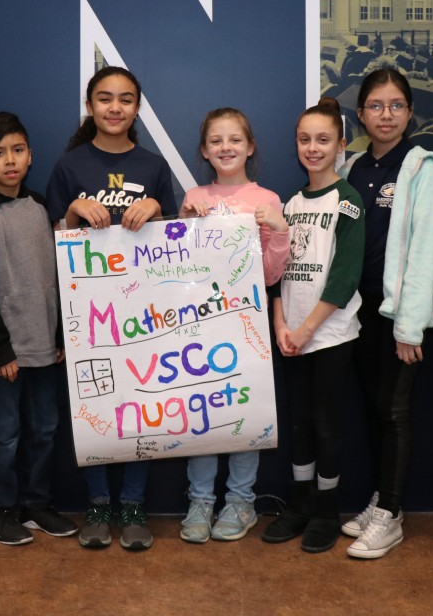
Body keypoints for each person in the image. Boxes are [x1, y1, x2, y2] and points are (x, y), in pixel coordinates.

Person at [45, 66, 177, 551]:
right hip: (89, 313)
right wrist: (74, 213)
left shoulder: (153, 166)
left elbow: (178, 246)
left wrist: (160, 209)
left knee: (141, 402)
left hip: (144, 311)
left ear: (137, 107)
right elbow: (54, 242)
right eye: (105, 99)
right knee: (96, 405)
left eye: (125, 99)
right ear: (90, 106)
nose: (115, 108)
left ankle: (134, 504)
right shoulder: (70, 166)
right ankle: (99, 502)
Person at [338, 69, 433, 560]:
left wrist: (409, 324)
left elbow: (427, 248)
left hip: (395, 318)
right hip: (356, 315)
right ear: (361, 114)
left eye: (397, 105)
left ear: (409, 112)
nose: (386, 115)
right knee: (371, 412)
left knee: (395, 412)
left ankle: (391, 515)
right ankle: (381, 500)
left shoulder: (422, 167)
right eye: (376, 106)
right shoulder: (352, 168)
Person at [0, 111, 79, 546]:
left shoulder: (40, 208)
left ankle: (35, 503)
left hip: (45, 347)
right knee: (3, 434)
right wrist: (0, 350)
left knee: (45, 429)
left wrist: (61, 337)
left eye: (17, 150)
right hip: (2, 354)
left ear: (30, 156)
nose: (9, 160)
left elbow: (57, 278)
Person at [176, 108, 289, 543]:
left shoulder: (267, 199)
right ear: (205, 151)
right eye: (217, 141)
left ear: (250, 146)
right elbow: (175, 268)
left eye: (235, 140)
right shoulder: (193, 194)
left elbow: (271, 275)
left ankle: (241, 501)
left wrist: (279, 231)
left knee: (243, 413)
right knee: (202, 415)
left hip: (248, 327)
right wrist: (185, 220)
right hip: (200, 326)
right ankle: (201, 500)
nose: (226, 147)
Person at [262, 97, 365, 554]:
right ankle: (300, 503)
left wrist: (307, 331)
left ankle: (327, 508)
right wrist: (283, 324)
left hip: (328, 336)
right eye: (305, 140)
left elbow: (344, 276)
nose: (313, 147)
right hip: (292, 336)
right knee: (299, 422)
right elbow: (279, 272)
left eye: (323, 140)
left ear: (340, 145)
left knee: (326, 423)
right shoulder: (292, 202)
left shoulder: (348, 201)